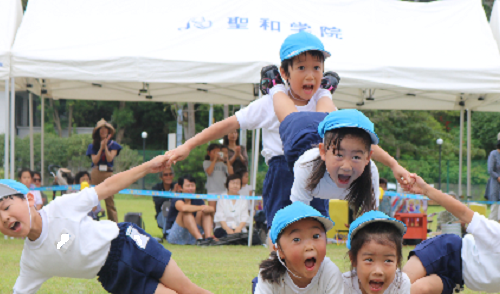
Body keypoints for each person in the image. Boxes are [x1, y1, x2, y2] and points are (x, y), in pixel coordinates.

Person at [0, 156, 240, 294]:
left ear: (29, 199)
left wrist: (148, 167)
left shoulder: (63, 206)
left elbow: (108, 186)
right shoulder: (32, 261)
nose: (4, 217)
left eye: (6, 207)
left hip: (127, 243)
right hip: (112, 276)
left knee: (189, 293)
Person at [165, 31, 413, 229]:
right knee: (281, 231)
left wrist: (394, 164)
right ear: (285, 72)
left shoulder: (323, 104)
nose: (310, 75)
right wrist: (188, 145)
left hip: (318, 168)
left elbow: (358, 143)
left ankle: (311, 286)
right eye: (302, 68)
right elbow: (227, 124)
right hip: (282, 171)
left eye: (317, 68)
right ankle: (278, 278)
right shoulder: (268, 105)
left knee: (316, 229)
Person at [86, 119, 122, 222]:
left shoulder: (113, 145)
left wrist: (105, 146)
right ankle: (90, 222)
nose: (103, 131)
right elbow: (95, 160)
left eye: (105, 129)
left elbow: (110, 158)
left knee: (110, 201)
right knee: (93, 199)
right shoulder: (92, 146)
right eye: (101, 129)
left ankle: (114, 226)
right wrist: (100, 147)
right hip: (96, 172)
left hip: (108, 172)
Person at [166, 175, 216, 246]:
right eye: (188, 186)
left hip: (193, 234)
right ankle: (200, 239)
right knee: (186, 212)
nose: (190, 188)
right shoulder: (177, 198)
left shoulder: (197, 198)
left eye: (192, 185)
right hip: (176, 236)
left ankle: (208, 239)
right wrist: (201, 207)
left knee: (206, 212)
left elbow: (211, 209)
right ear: (180, 188)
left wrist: (205, 208)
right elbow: (183, 208)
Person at [214, 173, 249, 238]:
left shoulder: (243, 199)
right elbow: (220, 216)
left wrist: (239, 228)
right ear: (227, 185)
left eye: (237, 183)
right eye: (233, 183)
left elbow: (245, 216)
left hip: (239, 229)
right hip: (224, 228)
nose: (235, 186)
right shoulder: (222, 197)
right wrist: (227, 229)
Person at [203, 143, 232, 211]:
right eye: (214, 152)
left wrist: (227, 160)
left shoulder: (222, 164)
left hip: (223, 190)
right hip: (212, 190)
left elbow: (231, 173)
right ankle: (212, 222)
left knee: (222, 210)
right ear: (208, 153)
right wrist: (215, 160)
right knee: (212, 210)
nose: (217, 154)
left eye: (218, 152)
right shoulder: (206, 162)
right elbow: (209, 172)